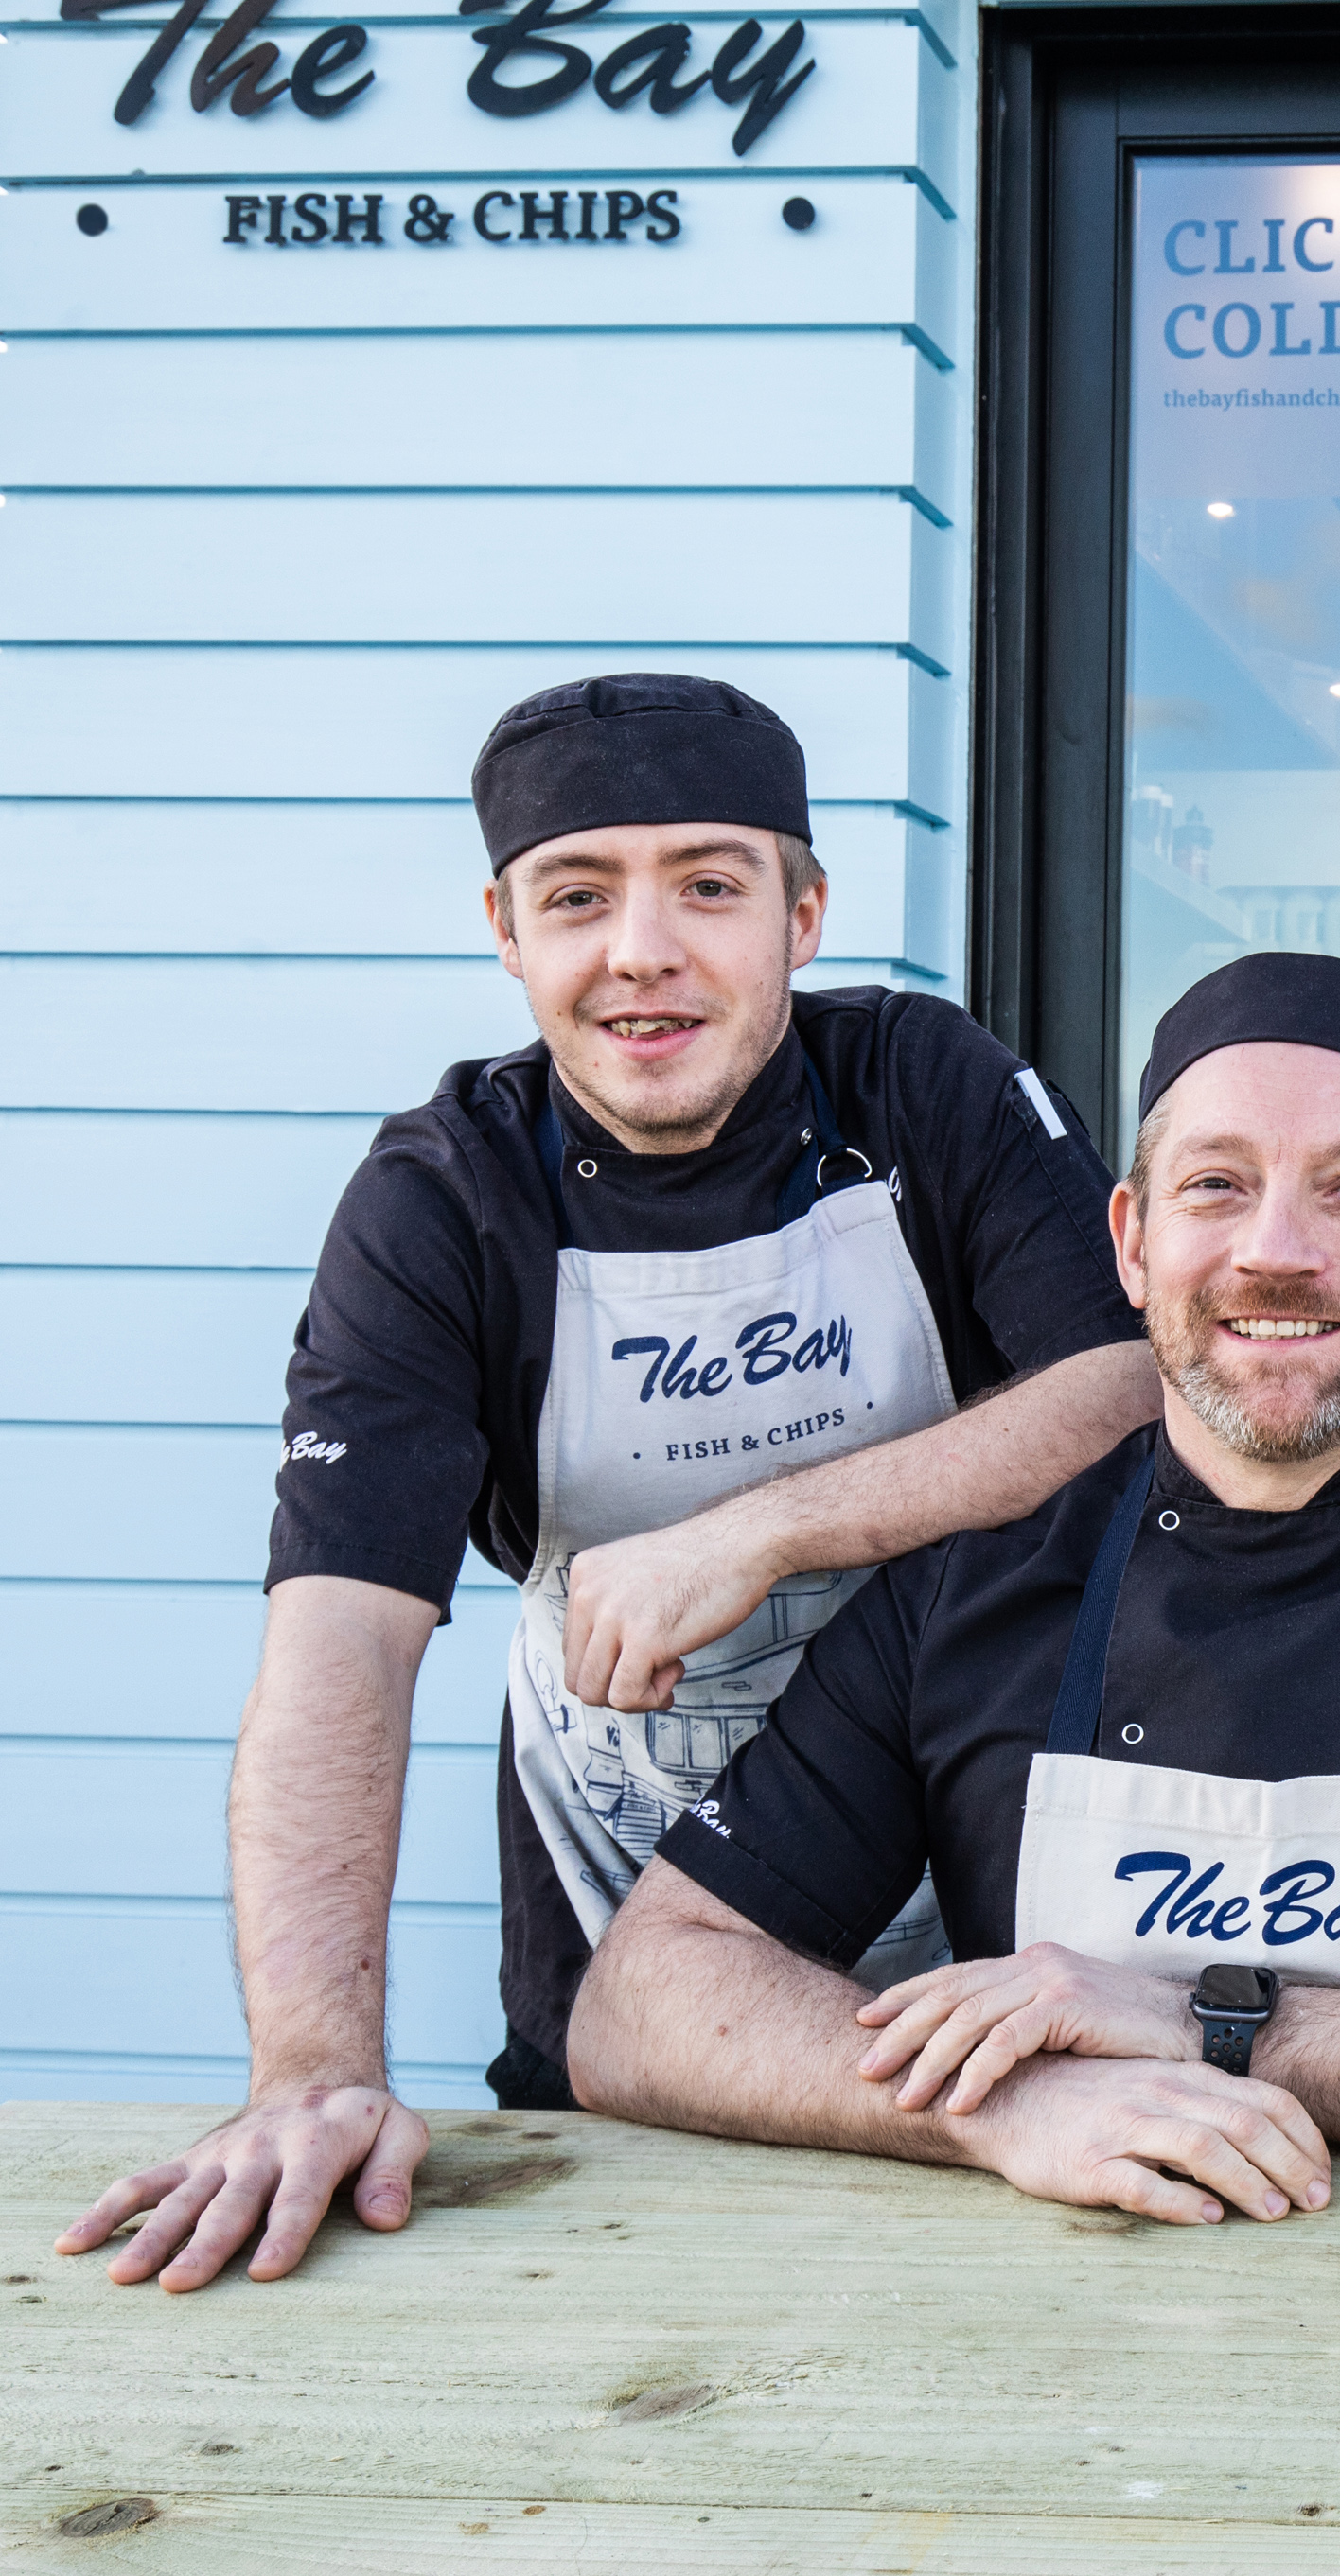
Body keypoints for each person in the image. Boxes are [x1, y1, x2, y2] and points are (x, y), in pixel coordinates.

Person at [60, 675, 1154, 2291]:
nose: (644, 946)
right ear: (507, 933)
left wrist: (762, 1528)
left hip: (988, 1923)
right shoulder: (442, 1200)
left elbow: (1123, 1384)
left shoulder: (927, 1082)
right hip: (628, 1928)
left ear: (804, 911)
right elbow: (338, 1648)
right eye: (579, 894)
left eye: (709, 883)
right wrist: (310, 2069)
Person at [562, 955, 1340, 2219]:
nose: (1276, 1253)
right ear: (1133, 1243)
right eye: (1217, 1186)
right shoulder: (970, 1592)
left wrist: (1198, 2023)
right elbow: (642, 2000)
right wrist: (1002, 2106)